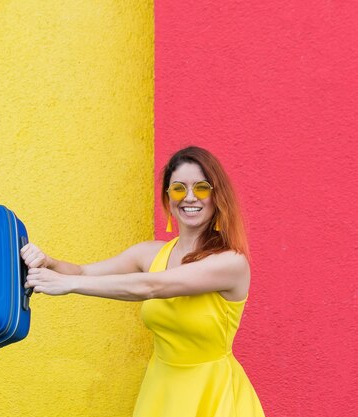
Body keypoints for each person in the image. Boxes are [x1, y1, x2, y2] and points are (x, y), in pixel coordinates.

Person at [21, 146, 265, 416]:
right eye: (179, 188)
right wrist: (49, 262)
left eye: (202, 187)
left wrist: (68, 286)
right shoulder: (149, 254)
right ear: (167, 196)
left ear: (217, 195)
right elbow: (81, 272)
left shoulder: (230, 262)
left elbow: (151, 287)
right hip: (160, 391)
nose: (190, 197)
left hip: (212, 393)